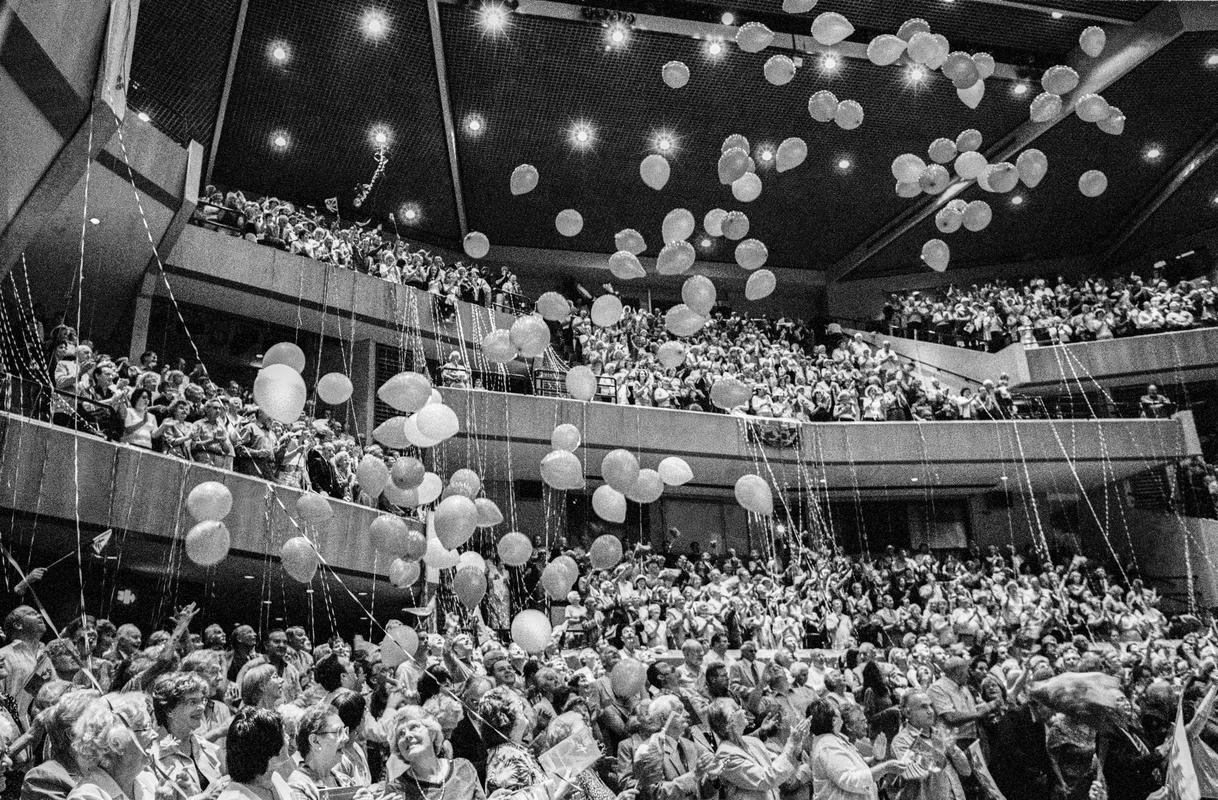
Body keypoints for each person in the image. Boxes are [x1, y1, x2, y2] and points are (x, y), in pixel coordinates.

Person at [357, 705, 483, 800]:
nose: (407, 735)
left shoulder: (464, 768)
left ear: (432, 732)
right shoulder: (396, 789)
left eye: (414, 727)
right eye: (401, 733)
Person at [707, 697, 810, 800]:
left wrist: (797, 743)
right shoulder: (725, 756)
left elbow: (781, 763)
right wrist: (791, 744)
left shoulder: (750, 741)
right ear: (730, 720)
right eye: (737, 708)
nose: (743, 710)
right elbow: (766, 779)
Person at [66, 693, 158, 800]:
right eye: (146, 728)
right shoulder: (86, 796)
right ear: (117, 744)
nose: (155, 734)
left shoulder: (148, 781)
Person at [806, 699, 902, 800]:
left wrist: (875, 759)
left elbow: (849, 766)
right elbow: (849, 779)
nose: (842, 720)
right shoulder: (827, 745)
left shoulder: (833, 740)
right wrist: (885, 767)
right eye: (838, 716)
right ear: (833, 720)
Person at [150, 672, 224, 798]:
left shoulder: (208, 748)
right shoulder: (150, 755)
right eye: (192, 702)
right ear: (169, 710)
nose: (201, 707)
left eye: (203, 700)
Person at [890, 693, 971, 800]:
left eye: (931, 706)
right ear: (907, 712)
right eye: (923, 707)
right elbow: (913, 774)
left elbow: (966, 771)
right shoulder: (901, 741)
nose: (930, 711)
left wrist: (953, 751)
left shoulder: (940, 734)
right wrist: (938, 751)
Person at [218, 708, 293, 800]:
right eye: (283, 734)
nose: (288, 737)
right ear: (268, 747)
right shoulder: (235, 797)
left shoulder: (275, 779)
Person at [287, 705, 353, 800]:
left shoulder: (345, 781)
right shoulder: (298, 786)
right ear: (315, 741)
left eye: (345, 731)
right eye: (338, 732)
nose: (346, 738)